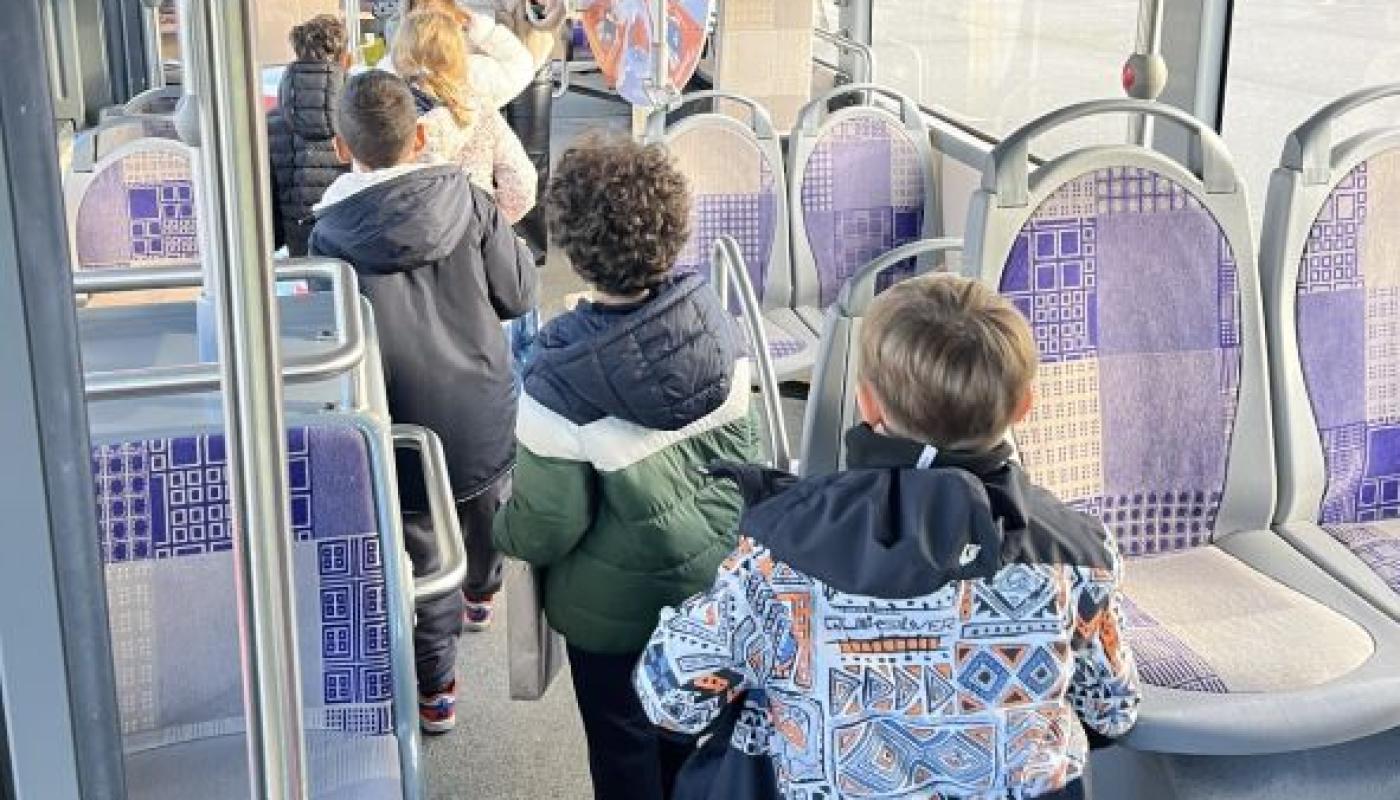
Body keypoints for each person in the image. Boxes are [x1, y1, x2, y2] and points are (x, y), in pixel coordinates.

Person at [635, 274, 1142, 799]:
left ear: (868, 402)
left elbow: (668, 699)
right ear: (1023, 406)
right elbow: (1113, 711)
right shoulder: (1080, 556)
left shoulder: (777, 558)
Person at [493, 135, 763, 800]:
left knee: (623, 748)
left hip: (612, 620)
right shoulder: (719, 325)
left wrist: (502, 530)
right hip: (713, 591)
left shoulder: (556, 379)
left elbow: (548, 524)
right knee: (698, 737)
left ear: (574, 249)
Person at [309, 70, 538, 734]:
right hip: (482, 400)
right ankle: (483, 592)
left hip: (397, 414)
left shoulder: (328, 238)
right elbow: (519, 295)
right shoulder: (469, 201)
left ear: (339, 147)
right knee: (485, 504)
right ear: (419, 138)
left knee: (422, 543)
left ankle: (436, 690)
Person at [391, 9, 537, 225]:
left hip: (407, 236)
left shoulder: (390, 116)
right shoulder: (481, 110)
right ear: (459, 56)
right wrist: (491, 225)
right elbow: (522, 185)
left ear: (400, 56)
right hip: (475, 231)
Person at [266, 14, 350, 256]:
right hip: (356, 249)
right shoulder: (360, 112)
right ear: (346, 59)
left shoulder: (271, 123)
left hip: (301, 255)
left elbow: (268, 210)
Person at [378, 0, 538, 111]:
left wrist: (403, 51)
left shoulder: (393, 81)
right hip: (493, 51)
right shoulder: (476, 74)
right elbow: (521, 64)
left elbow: (378, 77)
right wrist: (473, 22)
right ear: (458, 32)